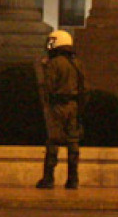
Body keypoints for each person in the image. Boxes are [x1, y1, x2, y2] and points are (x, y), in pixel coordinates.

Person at [35, 30, 86, 189]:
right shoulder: (76, 63)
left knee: (53, 141)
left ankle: (48, 178)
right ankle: (73, 179)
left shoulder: (53, 63)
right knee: (73, 142)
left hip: (57, 106)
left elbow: (48, 86)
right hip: (74, 106)